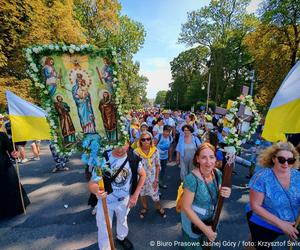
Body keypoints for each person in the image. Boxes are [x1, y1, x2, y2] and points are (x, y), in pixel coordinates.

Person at [88, 143, 146, 250]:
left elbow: (143, 175)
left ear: (128, 144)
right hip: (105, 201)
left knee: (123, 220)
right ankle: (105, 248)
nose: (120, 149)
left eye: (123, 145)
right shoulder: (103, 159)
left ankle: (121, 237)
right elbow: (92, 183)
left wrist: (135, 195)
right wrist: (96, 190)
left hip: (124, 200)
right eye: (116, 145)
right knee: (104, 228)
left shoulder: (133, 158)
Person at [246, 142, 300, 249]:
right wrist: (282, 224)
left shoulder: (297, 176)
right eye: (281, 159)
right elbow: (255, 206)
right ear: (274, 158)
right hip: (263, 221)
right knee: (260, 246)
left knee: (253, 243)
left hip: (291, 223)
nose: (286, 164)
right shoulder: (262, 177)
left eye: (290, 161)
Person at [181, 143, 231, 248]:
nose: (208, 162)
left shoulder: (217, 173)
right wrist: (205, 229)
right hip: (193, 224)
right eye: (204, 157)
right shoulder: (192, 179)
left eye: (211, 157)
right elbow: (186, 207)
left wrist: (226, 192)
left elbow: (219, 191)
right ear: (197, 159)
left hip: (211, 220)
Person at [134, 131, 167, 219]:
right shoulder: (136, 152)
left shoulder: (155, 150)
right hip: (141, 178)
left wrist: (156, 179)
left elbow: (157, 165)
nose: (146, 141)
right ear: (140, 141)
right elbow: (134, 167)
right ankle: (145, 207)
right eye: (143, 139)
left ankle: (158, 207)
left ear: (151, 140)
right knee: (142, 194)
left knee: (155, 195)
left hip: (152, 178)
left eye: (148, 139)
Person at [0, 131, 30, 219]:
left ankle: (15, 208)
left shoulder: (2, 135)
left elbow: (11, 150)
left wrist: (14, 154)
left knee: (10, 187)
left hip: (5, 167)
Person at [154, 125, 173, 189]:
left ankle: (160, 183)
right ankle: (155, 187)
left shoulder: (170, 138)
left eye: (168, 132)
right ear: (163, 131)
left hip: (165, 157)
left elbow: (170, 148)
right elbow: (153, 147)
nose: (167, 133)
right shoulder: (158, 136)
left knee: (163, 171)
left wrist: (170, 157)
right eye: (166, 131)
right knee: (157, 171)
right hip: (157, 157)